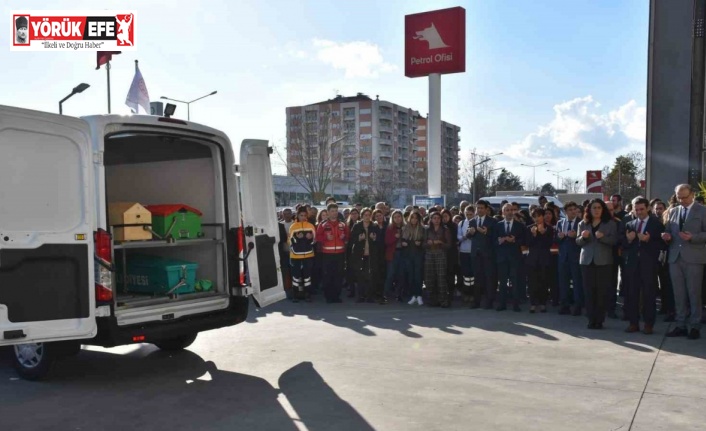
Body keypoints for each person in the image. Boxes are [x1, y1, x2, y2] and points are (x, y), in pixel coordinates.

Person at [663, 184, 706, 339]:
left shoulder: (702, 211)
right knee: (678, 293)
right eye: (679, 197)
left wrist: (693, 237)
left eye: (685, 197)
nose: (682, 200)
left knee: (694, 293)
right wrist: (666, 236)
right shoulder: (673, 212)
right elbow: (669, 230)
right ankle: (680, 324)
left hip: (694, 258)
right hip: (675, 258)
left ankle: (695, 326)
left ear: (692, 195)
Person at [622, 197, 665, 334]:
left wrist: (649, 239)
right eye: (636, 209)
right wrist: (628, 240)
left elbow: (663, 244)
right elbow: (623, 244)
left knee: (649, 294)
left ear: (648, 208)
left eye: (641, 209)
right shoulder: (630, 224)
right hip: (633, 265)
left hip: (649, 265)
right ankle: (633, 323)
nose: (639, 212)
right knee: (632, 294)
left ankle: (648, 324)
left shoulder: (656, 224)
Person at [577, 199, 617, 329]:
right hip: (587, 261)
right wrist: (583, 237)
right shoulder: (583, 223)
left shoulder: (610, 223)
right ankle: (590, 319)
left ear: (603, 209)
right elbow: (578, 242)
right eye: (594, 207)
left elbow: (614, 241)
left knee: (601, 292)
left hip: (603, 262)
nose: (596, 210)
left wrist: (603, 237)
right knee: (588, 292)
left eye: (599, 207)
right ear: (589, 209)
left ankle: (599, 319)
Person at [493, 203, 525, 312]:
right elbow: (492, 241)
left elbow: (524, 240)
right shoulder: (498, 225)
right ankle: (502, 304)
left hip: (515, 257)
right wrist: (500, 240)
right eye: (507, 210)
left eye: (511, 210)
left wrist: (514, 240)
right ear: (503, 212)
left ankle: (516, 304)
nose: (510, 212)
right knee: (502, 282)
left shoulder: (519, 225)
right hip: (502, 258)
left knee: (515, 281)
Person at [316, 204, 350, 303]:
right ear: (328, 212)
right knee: (328, 275)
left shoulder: (343, 224)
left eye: (336, 210)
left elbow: (348, 237)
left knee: (338, 276)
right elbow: (318, 237)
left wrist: (344, 237)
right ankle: (328, 296)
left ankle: (336, 296)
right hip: (327, 254)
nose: (334, 213)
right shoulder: (323, 224)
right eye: (332, 211)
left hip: (340, 254)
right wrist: (326, 238)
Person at [468, 200, 497, 309]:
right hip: (476, 254)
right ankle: (476, 301)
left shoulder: (492, 221)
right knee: (477, 278)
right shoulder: (472, 221)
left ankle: (489, 301)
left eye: (481, 208)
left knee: (489, 278)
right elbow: (469, 235)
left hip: (488, 254)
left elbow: (495, 236)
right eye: (478, 208)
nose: (479, 210)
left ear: (486, 209)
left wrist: (486, 232)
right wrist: (470, 233)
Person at [348, 208, 382, 303]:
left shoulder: (374, 226)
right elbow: (351, 240)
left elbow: (380, 241)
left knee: (370, 276)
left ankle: (370, 296)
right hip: (359, 255)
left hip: (371, 255)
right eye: (365, 215)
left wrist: (374, 239)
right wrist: (358, 239)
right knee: (360, 276)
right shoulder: (357, 226)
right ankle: (361, 296)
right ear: (362, 216)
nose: (367, 217)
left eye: (369, 215)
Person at [556, 201, 583, 316]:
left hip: (576, 257)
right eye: (570, 210)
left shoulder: (581, 223)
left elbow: (584, 240)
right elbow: (555, 240)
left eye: (574, 209)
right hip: (563, 257)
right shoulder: (560, 223)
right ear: (565, 212)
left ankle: (577, 306)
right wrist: (558, 237)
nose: (573, 212)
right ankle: (564, 305)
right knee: (563, 283)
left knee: (577, 283)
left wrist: (575, 236)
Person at [525, 208, 554, 313]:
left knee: (543, 281)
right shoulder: (529, 228)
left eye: (539, 216)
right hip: (532, 259)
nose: (537, 218)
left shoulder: (549, 228)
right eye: (534, 216)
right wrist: (534, 235)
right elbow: (527, 243)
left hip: (544, 258)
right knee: (532, 282)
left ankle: (543, 303)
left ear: (543, 216)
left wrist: (543, 233)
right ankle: (533, 303)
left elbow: (549, 243)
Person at [652, 200, 675, 321]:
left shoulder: (669, 222)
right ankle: (664, 307)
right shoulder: (653, 222)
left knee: (668, 284)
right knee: (661, 283)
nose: (658, 211)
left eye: (660, 208)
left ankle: (670, 309)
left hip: (668, 257)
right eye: (656, 209)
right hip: (657, 258)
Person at [289, 207, 316, 302]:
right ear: (297, 215)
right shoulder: (293, 226)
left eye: (305, 215)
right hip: (295, 255)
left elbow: (314, 241)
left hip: (308, 255)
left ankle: (308, 295)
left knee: (307, 276)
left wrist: (311, 238)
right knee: (295, 276)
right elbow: (290, 241)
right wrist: (297, 238)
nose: (303, 217)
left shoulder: (311, 226)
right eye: (301, 215)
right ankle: (295, 295)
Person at [425, 211, 451, 307]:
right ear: (431, 219)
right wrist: (429, 243)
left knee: (441, 278)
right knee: (429, 278)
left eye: (438, 218)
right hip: (429, 254)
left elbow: (449, 245)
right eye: (434, 218)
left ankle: (443, 300)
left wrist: (440, 242)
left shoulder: (445, 230)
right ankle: (431, 299)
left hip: (440, 254)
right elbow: (423, 244)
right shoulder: (427, 230)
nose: (436, 220)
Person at [402, 211, 425, 305]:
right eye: (412, 218)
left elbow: (425, 241)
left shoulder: (422, 229)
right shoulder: (405, 228)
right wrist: (403, 243)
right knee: (411, 276)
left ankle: (419, 295)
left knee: (418, 276)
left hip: (418, 255)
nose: (414, 220)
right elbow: (401, 240)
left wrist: (420, 243)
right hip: (408, 255)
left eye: (416, 218)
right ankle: (413, 296)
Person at [384, 210, 406, 302]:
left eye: (399, 216)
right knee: (390, 274)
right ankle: (385, 293)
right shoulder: (390, 228)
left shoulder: (405, 227)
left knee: (401, 275)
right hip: (393, 253)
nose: (397, 219)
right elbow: (387, 242)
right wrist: (395, 237)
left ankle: (398, 294)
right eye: (395, 217)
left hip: (403, 253)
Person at [457, 205, 475, 302]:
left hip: (473, 251)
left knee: (473, 273)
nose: (468, 216)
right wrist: (466, 236)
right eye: (467, 214)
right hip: (464, 251)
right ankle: (467, 293)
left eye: (470, 214)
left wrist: (473, 234)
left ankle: (473, 293)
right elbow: (458, 237)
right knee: (466, 274)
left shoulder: (476, 222)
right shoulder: (461, 223)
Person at [441, 209, 459, 304]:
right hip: (441, 252)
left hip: (451, 253)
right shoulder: (439, 226)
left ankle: (451, 292)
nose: (444, 218)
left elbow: (456, 240)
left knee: (450, 273)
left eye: (446, 216)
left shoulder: (453, 226)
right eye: (443, 216)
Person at [278, 208, 295, 299]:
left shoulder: (295, 224)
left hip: (294, 251)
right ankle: (286, 289)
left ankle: (294, 288)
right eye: (285, 214)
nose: (287, 215)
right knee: (285, 271)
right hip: (283, 252)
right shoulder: (279, 225)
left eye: (289, 213)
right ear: (282, 215)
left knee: (293, 271)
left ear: (291, 214)